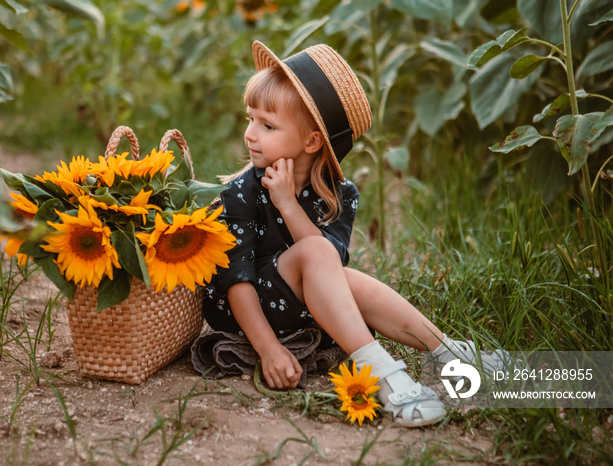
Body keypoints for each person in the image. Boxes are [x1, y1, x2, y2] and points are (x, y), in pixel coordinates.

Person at [202, 41, 505, 427]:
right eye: (249, 119)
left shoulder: (338, 195)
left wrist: (288, 205)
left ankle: (446, 352)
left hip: (301, 301)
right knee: (316, 254)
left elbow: (330, 262)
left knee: (337, 268)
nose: (250, 135)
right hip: (248, 310)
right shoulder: (243, 191)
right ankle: (380, 372)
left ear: (312, 141)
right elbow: (236, 280)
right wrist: (269, 350)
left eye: (267, 125)